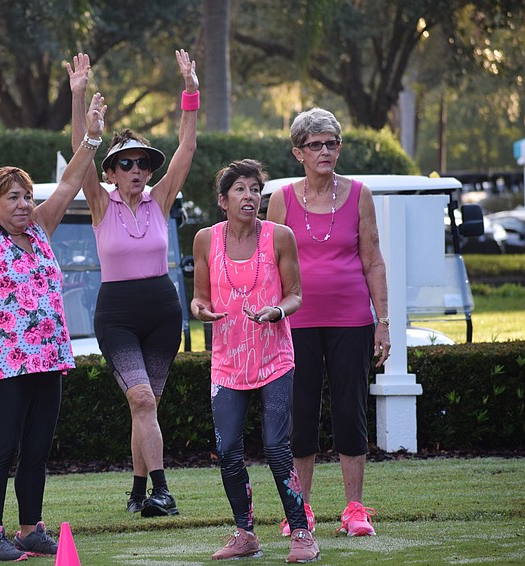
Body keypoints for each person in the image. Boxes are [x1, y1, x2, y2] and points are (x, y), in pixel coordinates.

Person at [0, 93, 106, 561]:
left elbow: (69, 181)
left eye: (26, 196)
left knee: (38, 449)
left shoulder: (40, 228)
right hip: (5, 364)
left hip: (51, 358)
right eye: (12, 198)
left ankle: (29, 530)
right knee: (1, 449)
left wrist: (92, 139)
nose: (24, 204)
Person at [67, 49, 198, 517]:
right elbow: (83, 152)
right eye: (126, 164)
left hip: (162, 309)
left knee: (146, 407)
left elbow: (186, 149)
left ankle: (138, 493)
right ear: (110, 173)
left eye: (142, 162)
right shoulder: (101, 204)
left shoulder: (159, 200)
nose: (137, 170)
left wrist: (189, 90)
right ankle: (163, 492)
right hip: (118, 313)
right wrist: (78, 97)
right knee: (141, 398)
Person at [266, 107, 391, 538]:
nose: (326, 151)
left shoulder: (360, 194)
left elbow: (373, 260)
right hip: (295, 322)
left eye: (332, 143)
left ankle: (355, 510)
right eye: (316, 144)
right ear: (298, 151)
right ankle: (299, 512)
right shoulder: (281, 197)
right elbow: (269, 262)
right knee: (300, 416)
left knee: (350, 412)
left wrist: (383, 322)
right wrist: (267, 314)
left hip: (352, 319)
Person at [191, 159, 319, 563]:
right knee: (228, 450)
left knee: (276, 447)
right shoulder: (205, 240)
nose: (250, 197)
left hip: (274, 360)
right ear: (222, 200)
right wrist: (200, 310)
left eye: (255, 190)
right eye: (241, 190)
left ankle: (301, 532)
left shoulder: (280, 237)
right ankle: (245, 534)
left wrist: (277, 312)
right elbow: (199, 297)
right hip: (228, 363)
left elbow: (295, 293)